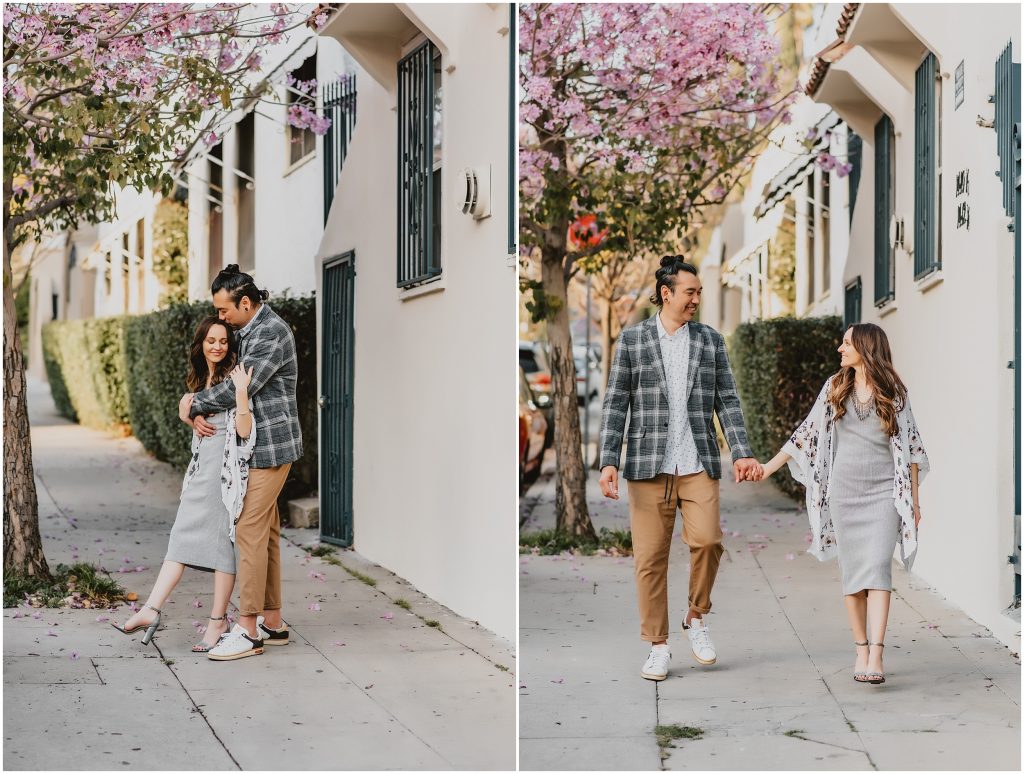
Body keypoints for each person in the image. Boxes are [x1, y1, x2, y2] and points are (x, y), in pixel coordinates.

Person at [598, 256, 760, 682]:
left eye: (699, 292)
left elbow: (727, 399)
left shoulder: (710, 341)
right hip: (647, 464)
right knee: (650, 559)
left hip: (696, 460)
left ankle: (696, 616)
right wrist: (609, 460)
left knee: (708, 541)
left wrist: (741, 451)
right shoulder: (632, 341)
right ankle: (658, 646)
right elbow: (616, 403)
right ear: (666, 293)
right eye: (690, 292)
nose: (696, 299)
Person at [753, 323, 929, 685]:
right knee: (853, 575)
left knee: (878, 569)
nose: (840, 348)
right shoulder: (835, 387)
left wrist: (914, 501)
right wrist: (768, 468)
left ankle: (877, 654)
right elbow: (804, 434)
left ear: (866, 348)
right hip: (844, 494)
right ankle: (861, 649)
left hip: (884, 494)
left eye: (847, 343)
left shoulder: (895, 392)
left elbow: (912, 450)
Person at [182, 265, 303, 661]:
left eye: (224, 310)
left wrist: (192, 403)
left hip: (270, 448)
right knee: (266, 533)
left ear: (246, 303)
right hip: (254, 448)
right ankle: (273, 622)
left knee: (248, 529)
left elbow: (240, 389)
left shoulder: (269, 333)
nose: (220, 317)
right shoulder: (249, 329)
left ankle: (248, 629)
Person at [113, 317, 255, 652]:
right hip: (200, 473)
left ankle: (216, 622)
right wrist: (189, 417)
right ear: (200, 344)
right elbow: (200, 426)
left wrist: (242, 392)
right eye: (211, 340)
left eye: (223, 341)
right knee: (180, 538)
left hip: (223, 478)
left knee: (221, 548)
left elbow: (245, 432)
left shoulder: (234, 378)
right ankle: (151, 609)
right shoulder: (199, 378)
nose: (217, 346)